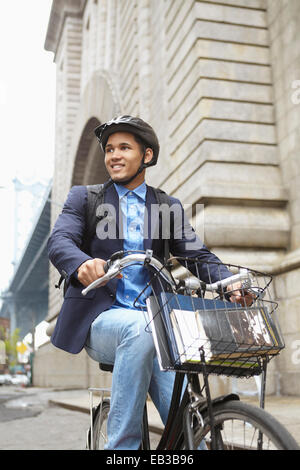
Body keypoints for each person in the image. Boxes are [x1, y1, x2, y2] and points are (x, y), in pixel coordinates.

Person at [48, 115, 252, 449]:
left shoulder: (166, 206)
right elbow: (60, 241)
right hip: (102, 319)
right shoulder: (85, 198)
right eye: (109, 149)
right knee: (139, 329)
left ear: (146, 156)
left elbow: (196, 255)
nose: (113, 155)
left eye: (124, 147)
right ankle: (121, 451)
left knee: (188, 426)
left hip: (159, 326)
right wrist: (82, 263)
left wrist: (229, 282)